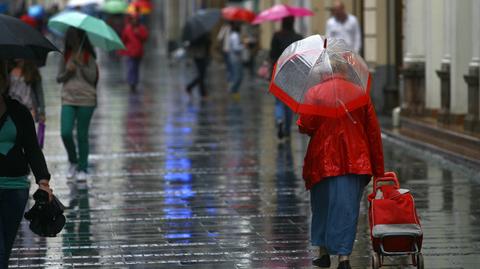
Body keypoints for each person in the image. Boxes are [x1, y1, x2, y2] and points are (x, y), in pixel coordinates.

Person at [297, 94, 384, 269]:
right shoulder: (360, 95)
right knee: (347, 207)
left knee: (322, 206)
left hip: (323, 158)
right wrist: (378, 169)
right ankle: (344, 258)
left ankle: (323, 253)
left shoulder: (316, 93)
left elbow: (306, 125)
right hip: (355, 157)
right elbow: (373, 132)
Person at [0, 60, 53, 268]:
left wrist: (43, 181)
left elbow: (32, 149)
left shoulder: (18, 112)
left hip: (15, 188)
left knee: (5, 248)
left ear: (4, 81)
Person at [57, 27, 98, 181]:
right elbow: (59, 78)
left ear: (81, 38)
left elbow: (92, 78)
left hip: (87, 99)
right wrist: (68, 71)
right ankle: (73, 161)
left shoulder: (89, 56)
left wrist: (81, 65)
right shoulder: (65, 55)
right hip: (68, 97)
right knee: (65, 132)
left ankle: (83, 168)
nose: (72, 41)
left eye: (75, 38)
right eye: (70, 38)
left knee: (82, 135)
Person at [270, 16, 302, 139]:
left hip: (279, 71)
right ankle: (287, 130)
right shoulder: (298, 38)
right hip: (293, 72)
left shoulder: (276, 36)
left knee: (278, 101)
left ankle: (279, 120)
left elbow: (272, 55)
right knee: (289, 102)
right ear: (293, 23)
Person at [8, 59, 46, 124]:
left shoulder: (32, 70)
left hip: (29, 108)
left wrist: (42, 112)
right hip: (11, 108)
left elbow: (39, 93)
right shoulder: (7, 68)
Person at [120, 14, 148, 92]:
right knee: (131, 67)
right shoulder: (127, 29)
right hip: (130, 52)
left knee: (136, 68)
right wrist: (121, 50)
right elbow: (124, 40)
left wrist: (138, 34)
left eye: (136, 19)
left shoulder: (141, 28)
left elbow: (145, 38)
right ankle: (131, 82)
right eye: (133, 19)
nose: (134, 21)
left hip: (139, 52)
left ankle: (135, 82)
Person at [185, 33, 211, 99]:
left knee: (202, 75)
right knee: (201, 75)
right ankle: (201, 92)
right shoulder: (200, 35)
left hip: (201, 55)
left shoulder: (200, 33)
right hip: (200, 55)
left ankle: (196, 90)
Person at [227, 22, 244, 100]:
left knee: (238, 76)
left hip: (234, 58)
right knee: (238, 76)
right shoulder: (235, 36)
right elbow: (236, 48)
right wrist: (244, 45)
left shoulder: (234, 35)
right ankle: (233, 90)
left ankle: (235, 92)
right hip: (235, 58)